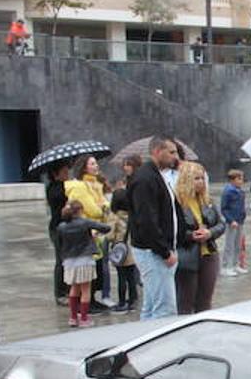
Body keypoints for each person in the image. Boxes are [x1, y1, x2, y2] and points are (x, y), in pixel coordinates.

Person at [128, 136, 181, 320]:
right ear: (158, 151)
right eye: (172, 152)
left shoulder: (155, 175)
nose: (176, 157)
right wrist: (165, 252)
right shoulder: (145, 178)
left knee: (151, 307)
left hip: (157, 250)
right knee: (164, 309)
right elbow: (147, 221)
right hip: (153, 252)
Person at [173, 161, 224, 314]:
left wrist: (210, 233)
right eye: (196, 178)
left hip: (209, 254)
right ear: (186, 180)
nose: (201, 182)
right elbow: (172, 231)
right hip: (188, 256)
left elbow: (221, 224)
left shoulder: (207, 200)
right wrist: (191, 236)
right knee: (185, 301)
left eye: (202, 178)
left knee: (205, 301)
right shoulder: (177, 203)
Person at [65, 154, 112, 310]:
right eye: (92, 164)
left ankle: (92, 299)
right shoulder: (79, 186)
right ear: (84, 167)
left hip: (97, 230)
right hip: (87, 232)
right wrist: (103, 209)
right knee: (88, 270)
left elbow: (103, 201)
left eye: (96, 163)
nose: (96, 166)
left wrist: (104, 206)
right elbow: (93, 209)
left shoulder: (95, 183)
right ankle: (86, 303)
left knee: (97, 266)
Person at [56, 200, 112, 328]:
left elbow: (59, 245)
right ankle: (84, 319)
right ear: (80, 210)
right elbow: (106, 228)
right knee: (85, 290)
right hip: (85, 259)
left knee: (74, 288)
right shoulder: (85, 223)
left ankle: (73, 317)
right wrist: (94, 234)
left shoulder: (61, 226)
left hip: (69, 261)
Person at [107, 174, 139, 313]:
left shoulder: (115, 217)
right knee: (131, 277)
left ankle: (121, 302)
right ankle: (132, 300)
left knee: (121, 277)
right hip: (132, 250)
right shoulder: (133, 216)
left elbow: (109, 235)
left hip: (120, 251)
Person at [45, 163, 70, 305]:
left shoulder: (65, 185)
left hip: (66, 227)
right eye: (64, 171)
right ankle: (60, 293)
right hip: (58, 228)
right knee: (61, 261)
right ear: (56, 173)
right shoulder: (55, 189)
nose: (67, 172)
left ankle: (68, 289)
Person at [220, 169, 247, 277]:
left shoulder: (239, 191)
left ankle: (235, 264)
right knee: (229, 245)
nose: (241, 181)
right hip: (232, 222)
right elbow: (224, 208)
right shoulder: (228, 191)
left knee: (238, 244)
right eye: (239, 179)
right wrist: (231, 220)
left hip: (240, 221)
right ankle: (226, 266)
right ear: (232, 180)